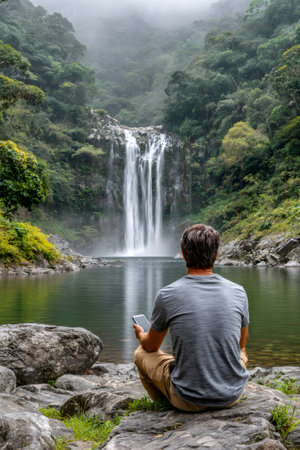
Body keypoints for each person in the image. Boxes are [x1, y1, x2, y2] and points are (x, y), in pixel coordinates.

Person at [133, 224, 249, 412]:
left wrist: (141, 333)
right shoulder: (238, 292)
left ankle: (166, 404)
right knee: (242, 353)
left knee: (140, 353)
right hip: (231, 396)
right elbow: (241, 343)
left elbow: (151, 346)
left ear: (184, 255)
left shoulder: (167, 294)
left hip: (188, 401)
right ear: (217, 254)